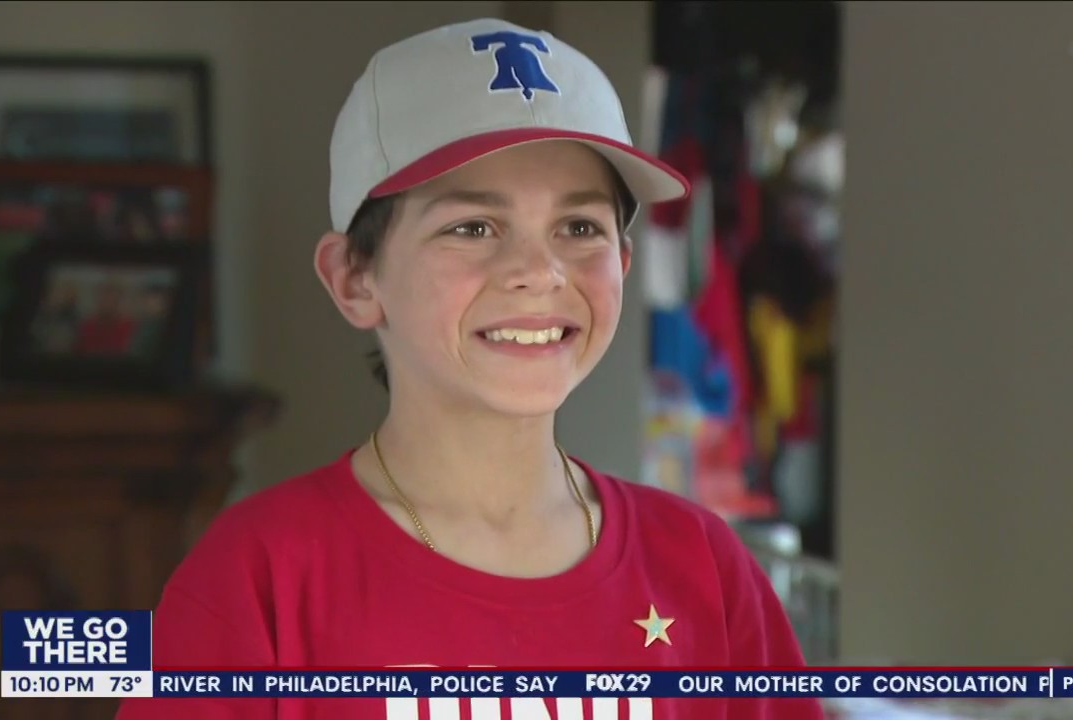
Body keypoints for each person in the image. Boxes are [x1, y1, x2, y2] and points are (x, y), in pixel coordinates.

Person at [116, 18, 825, 720]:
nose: (538, 272)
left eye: (579, 228)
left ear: (624, 264)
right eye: (472, 228)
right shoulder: (257, 578)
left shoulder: (704, 565)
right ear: (355, 278)